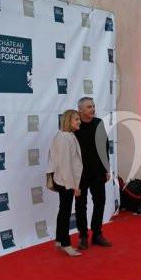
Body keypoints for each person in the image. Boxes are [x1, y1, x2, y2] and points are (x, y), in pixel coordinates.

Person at [74, 97, 113, 250]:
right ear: (80, 109)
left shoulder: (98, 123)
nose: (92, 109)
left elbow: (104, 146)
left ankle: (97, 234)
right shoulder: (75, 126)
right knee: (80, 205)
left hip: (97, 171)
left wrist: (106, 168)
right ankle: (83, 236)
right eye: (89, 107)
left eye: (93, 106)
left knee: (100, 202)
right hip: (80, 174)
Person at [47, 110, 84, 257]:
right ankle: (66, 243)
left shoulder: (66, 136)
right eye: (76, 119)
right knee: (65, 211)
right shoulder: (64, 138)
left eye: (79, 119)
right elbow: (65, 164)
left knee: (63, 210)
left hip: (64, 180)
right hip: (65, 181)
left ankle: (59, 239)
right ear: (68, 121)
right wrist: (73, 186)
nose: (79, 121)